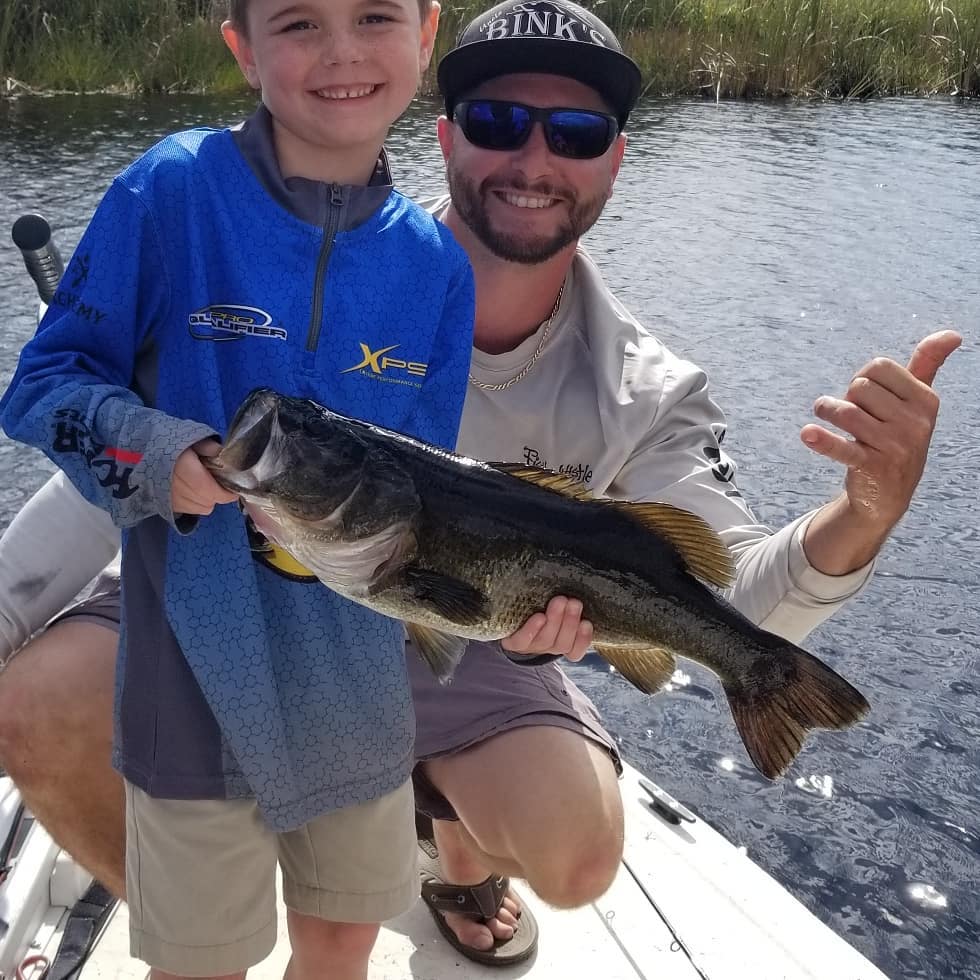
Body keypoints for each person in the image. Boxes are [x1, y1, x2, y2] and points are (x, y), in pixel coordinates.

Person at [0, 0, 962, 969]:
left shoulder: (632, 380)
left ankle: (449, 850)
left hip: (424, 626)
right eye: (501, 122)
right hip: (268, 611)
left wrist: (862, 514)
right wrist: (146, 471)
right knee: (57, 721)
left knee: (561, 856)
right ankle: (215, 903)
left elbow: (725, 586)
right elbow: (109, 424)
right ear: (447, 135)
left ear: (616, 157)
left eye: (575, 131)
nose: (534, 159)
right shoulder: (239, 225)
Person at [0, 0, 479, 978]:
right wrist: (152, 447)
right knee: (201, 961)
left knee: (341, 943)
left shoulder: (436, 267)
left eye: (375, 16)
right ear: (241, 48)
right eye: (298, 22)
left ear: (427, 32)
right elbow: (42, 388)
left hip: (356, 695)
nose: (340, 51)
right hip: (189, 686)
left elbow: (422, 497)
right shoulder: (170, 192)